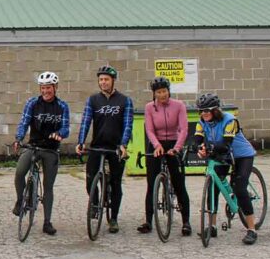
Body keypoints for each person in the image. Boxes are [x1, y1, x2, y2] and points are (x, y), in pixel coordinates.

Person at [76, 65, 133, 234]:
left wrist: (123, 144)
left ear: (113, 81)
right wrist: (81, 141)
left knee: (116, 184)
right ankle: (95, 203)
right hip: (97, 146)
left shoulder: (124, 100)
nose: (103, 82)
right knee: (90, 179)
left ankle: (113, 218)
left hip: (116, 148)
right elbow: (86, 121)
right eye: (101, 79)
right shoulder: (93, 100)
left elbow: (127, 125)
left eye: (106, 79)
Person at [195, 93, 258, 245]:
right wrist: (200, 147)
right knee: (213, 186)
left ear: (216, 110)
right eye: (201, 111)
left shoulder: (230, 120)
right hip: (221, 155)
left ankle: (252, 229)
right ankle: (212, 226)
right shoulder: (202, 121)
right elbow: (197, 138)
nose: (204, 114)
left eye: (207, 110)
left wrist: (208, 147)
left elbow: (225, 144)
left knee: (240, 188)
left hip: (242, 155)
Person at [12, 72, 70, 235]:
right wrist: (18, 138)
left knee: (48, 186)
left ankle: (47, 222)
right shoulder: (32, 103)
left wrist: (59, 134)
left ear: (55, 88)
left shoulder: (62, 106)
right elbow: (24, 122)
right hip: (34, 146)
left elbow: (66, 128)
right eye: (43, 88)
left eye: (49, 88)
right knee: (19, 173)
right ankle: (20, 200)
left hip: (51, 149)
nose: (45, 91)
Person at [140, 77, 191, 236]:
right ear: (154, 94)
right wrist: (157, 146)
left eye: (164, 91)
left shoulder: (179, 105)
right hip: (156, 144)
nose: (162, 95)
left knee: (178, 183)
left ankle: (186, 222)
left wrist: (177, 148)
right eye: (158, 92)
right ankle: (148, 221)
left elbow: (183, 129)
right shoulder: (149, 107)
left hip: (174, 144)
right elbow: (149, 130)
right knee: (151, 183)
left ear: (169, 91)